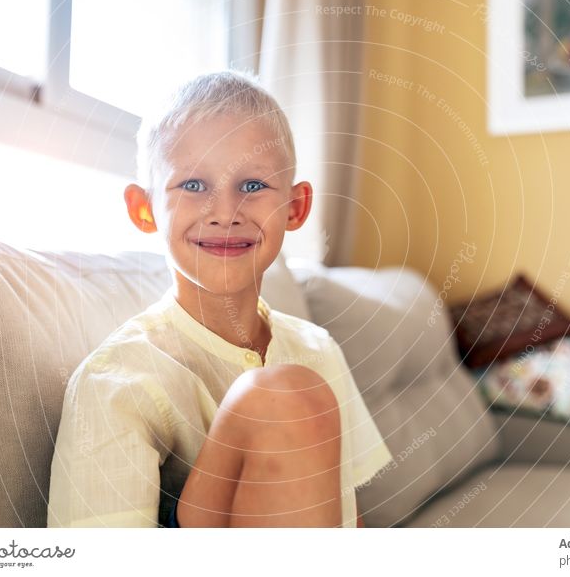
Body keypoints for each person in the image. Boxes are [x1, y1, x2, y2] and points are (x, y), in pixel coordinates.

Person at [46, 70, 394, 528]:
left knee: (294, 392)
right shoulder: (116, 381)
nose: (225, 214)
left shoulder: (318, 350)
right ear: (144, 209)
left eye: (252, 186)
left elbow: (344, 519)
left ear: (295, 207)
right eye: (193, 185)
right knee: (282, 397)